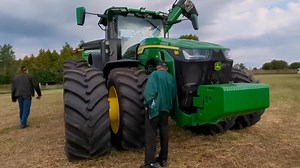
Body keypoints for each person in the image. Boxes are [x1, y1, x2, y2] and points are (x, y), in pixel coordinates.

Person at [141, 61, 177, 168]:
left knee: (151, 135)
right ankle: (163, 160)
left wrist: (148, 103)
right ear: (166, 68)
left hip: (154, 109)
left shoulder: (154, 75)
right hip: (165, 110)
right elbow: (173, 94)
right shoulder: (171, 78)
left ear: (158, 67)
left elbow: (149, 92)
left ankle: (150, 163)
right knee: (164, 134)